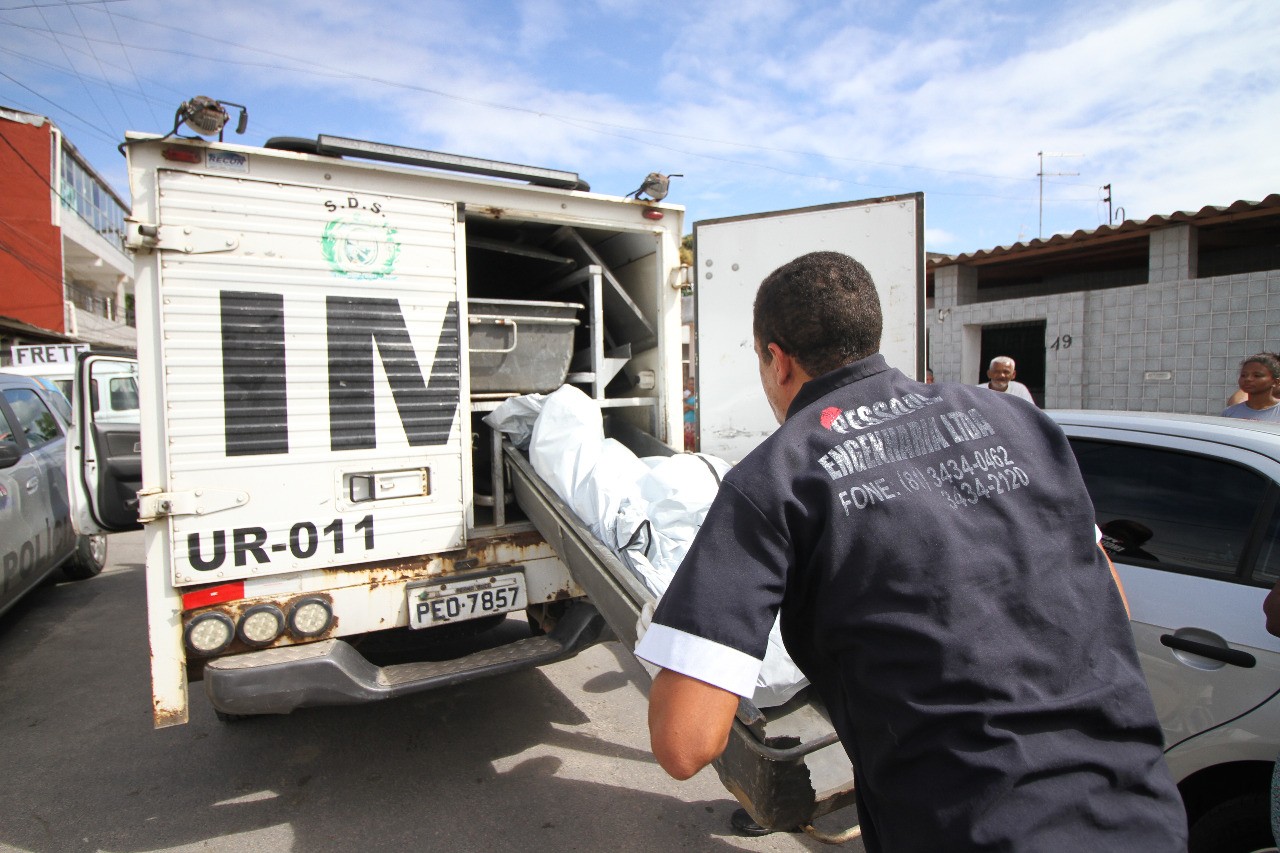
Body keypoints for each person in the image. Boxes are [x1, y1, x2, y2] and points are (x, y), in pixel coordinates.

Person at [635, 251, 1185, 851]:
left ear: (777, 358)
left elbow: (684, 744)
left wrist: (677, 645)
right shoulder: (1022, 423)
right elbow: (1110, 600)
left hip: (968, 828)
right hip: (1138, 813)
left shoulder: (776, 477)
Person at [1223, 354, 1280, 421]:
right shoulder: (1230, 412)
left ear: (1275, 382)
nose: (1248, 379)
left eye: (1257, 375)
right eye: (1243, 375)